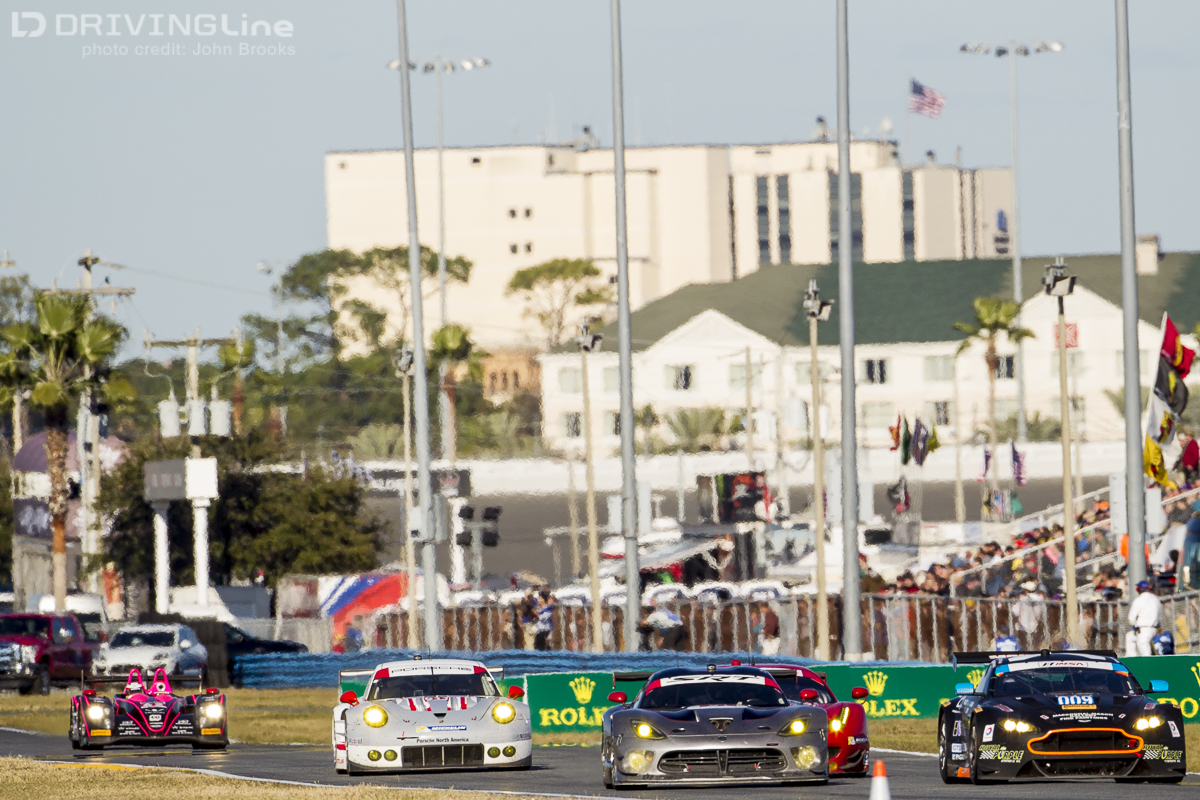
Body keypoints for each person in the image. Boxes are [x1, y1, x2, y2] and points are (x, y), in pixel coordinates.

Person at [1125, 580, 1161, 657]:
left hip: (1143, 630)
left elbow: (1131, 619)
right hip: (1155, 630)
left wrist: (1135, 626)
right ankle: (1131, 658)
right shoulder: (1156, 599)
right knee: (1130, 636)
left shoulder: (1139, 600)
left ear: (1139, 589)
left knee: (1146, 655)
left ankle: (1134, 661)